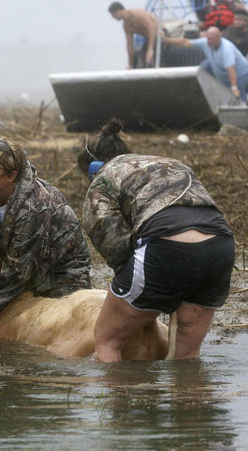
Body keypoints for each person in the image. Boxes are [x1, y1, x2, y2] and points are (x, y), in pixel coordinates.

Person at [77, 119, 235, 362]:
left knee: (107, 339)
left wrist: (156, 295)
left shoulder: (102, 180)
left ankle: (119, 397)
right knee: (188, 354)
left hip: (166, 246)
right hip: (221, 246)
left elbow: (118, 252)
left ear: (93, 169)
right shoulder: (169, 164)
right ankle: (190, 396)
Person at [0, 136, 92, 326]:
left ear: (11, 175)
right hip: (13, 275)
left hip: (60, 279)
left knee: (37, 332)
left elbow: (20, 271)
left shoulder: (34, 206)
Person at [161, 26, 248, 103]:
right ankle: (198, 92)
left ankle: (244, 110)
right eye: (208, 39)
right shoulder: (206, 42)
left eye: (212, 39)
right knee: (202, 67)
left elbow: (231, 70)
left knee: (234, 95)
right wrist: (166, 40)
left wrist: (234, 88)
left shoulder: (226, 49)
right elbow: (186, 42)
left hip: (241, 73)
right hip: (221, 69)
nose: (209, 41)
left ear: (219, 38)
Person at [108, 1, 159, 69]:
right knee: (139, 57)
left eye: (113, 15)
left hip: (159, 34)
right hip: (149, 39)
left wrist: (150, 49)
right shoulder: (126, 26)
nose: (113, 18)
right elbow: (130, 46)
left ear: (118, 11)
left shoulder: (136, 13)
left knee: (150, 54)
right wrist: (130, 64)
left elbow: (152, 28)